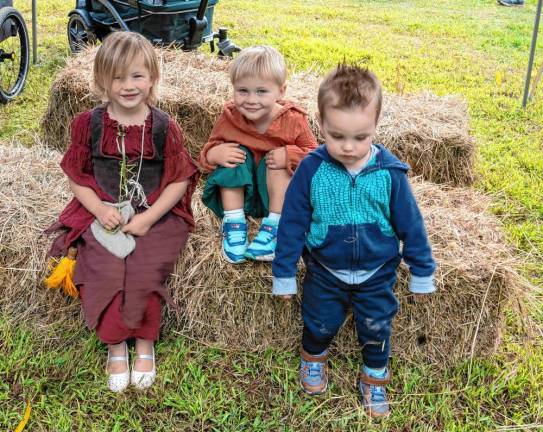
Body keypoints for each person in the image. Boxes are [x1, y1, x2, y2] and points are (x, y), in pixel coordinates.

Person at [271, 64, 436, 418]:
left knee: (377, 326)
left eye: (361, 137)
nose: (348, 147)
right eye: (336, 136)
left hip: (377, 271)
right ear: (320, 123)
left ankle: (374, 377)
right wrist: (283, 273)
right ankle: (313, 358)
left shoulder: (389, 174)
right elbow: (292, 224)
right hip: (325, 269)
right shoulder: (312, 170)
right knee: (318, 320)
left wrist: (422, 269)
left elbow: (411, 224)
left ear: (376, 125)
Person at [47, 32, 198, 392]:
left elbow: (179, 179)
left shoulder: (163, 125)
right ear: (102, 80)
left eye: (137, 76)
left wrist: (147, 219)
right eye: (117, 77)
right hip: (102, 208)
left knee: (146, 264)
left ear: (152, 78)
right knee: (103, 264)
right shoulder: (90, 123)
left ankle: (144, 342)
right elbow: (77, 175)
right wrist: (98, 209)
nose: (128, 86)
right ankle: (116, 345)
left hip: (153, 211)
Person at [198, 45, 318, 264]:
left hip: (276, 198)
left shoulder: (292, 120)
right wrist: (215, 153)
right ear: (233, 88)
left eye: (261, 91)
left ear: (281, 91)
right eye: (243, 91)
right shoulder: (229, 118)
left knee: (278, 159)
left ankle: (275, 227)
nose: (251, 99)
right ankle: (234, 224)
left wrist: (290, 155)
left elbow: (317, 159)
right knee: (235, 152)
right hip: (239, 197)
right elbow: (205, 156)